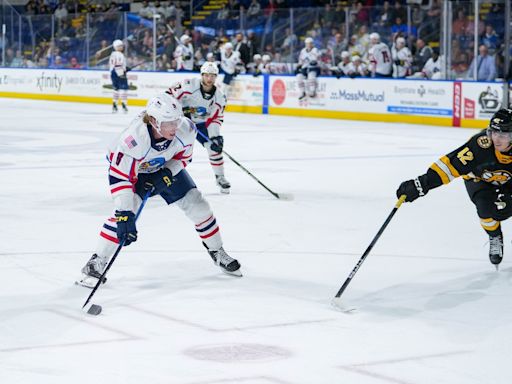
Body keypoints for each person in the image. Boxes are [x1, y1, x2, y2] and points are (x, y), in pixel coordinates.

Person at [78, 92, 241, 288]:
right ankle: (96, 261)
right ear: (154, 121)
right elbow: (120, 177)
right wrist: (123, 214)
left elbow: (183, 158)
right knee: (128, 212)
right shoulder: (133, 140)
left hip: (164, 167)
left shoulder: (185, 128)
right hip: (134, 172)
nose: (174, 127)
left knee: (198, 205)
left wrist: (166, 174)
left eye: (175, 121)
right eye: (168, 123)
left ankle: (217, 252)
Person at [396, 109, 512, 269]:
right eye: (494, 133)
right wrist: (422, 183)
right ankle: (495, 236)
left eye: (504, 135)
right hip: (479, 179)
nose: (496, 139)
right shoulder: (481, 145)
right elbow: (451, 166)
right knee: (485, 209)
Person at [167, 62, 231, 194]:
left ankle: (220, 177)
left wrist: (215, 137)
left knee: (214, 148)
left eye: (213, 76)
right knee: (170, 148)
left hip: (202, 125)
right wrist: (179, 111)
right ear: (202, 75)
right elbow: (169, 96)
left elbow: (215, 118)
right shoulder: (188, 85)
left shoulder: (219, 97)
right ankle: (163, 176)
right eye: (207, 75)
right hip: (182, 123)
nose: (209, 78)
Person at [109, 39, 128, 113]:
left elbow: (112, 65)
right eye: (120, 46)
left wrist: (125, 68)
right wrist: (122, 72)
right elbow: (118, 64)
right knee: (123, 89)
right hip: (118, 71)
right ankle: (124, 104)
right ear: (116, 47)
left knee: (116, 89)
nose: (122, 47)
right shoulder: (119, 54)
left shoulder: (112, 54)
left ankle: (114, 104)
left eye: (122, 46)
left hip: (113, 73)